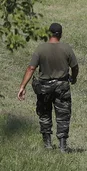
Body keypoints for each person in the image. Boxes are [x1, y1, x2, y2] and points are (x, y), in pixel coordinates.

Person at [17, 23, 79, 152]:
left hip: (44, 86)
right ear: (61, 34)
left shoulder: (40, 49)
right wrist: (74, 78)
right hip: (62, 86)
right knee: (63, 115)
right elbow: (75, 67)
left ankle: (48, 144)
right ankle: (62, 146)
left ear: (49, 33)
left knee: (44, 114)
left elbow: (31, 68)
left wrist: (23, 86)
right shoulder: (67, 49)